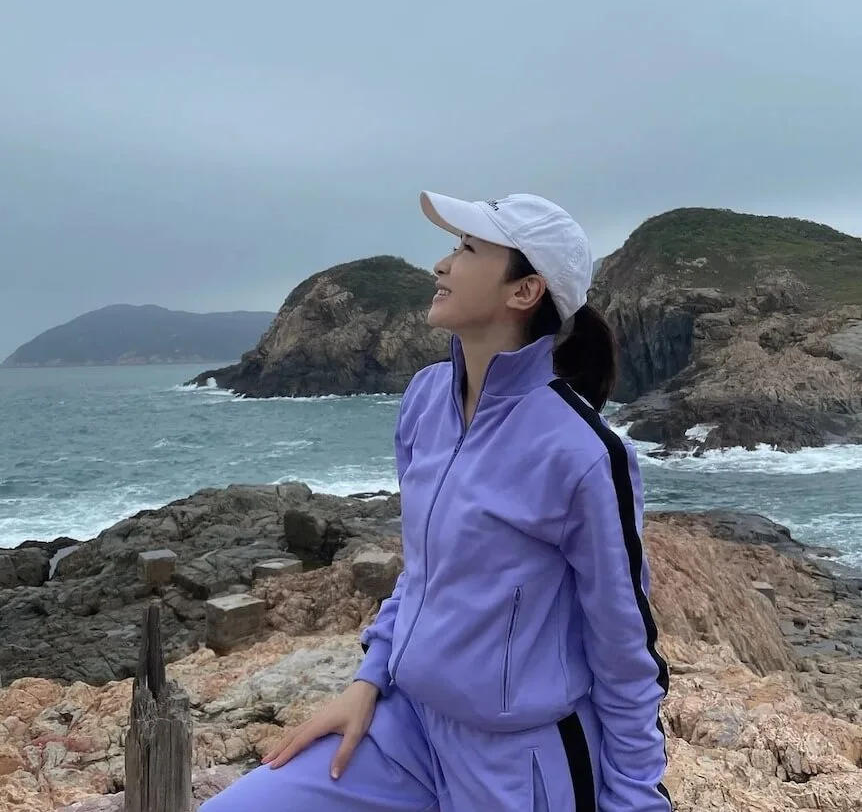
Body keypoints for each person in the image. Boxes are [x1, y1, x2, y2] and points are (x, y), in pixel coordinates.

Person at [202, 191, 671, 812]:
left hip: (519, 763)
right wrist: (368, 679)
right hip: (406, 730)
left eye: (469, 249)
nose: (442, 264)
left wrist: (636, 800)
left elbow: (624, 648)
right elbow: (422, 573)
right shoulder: (425, 399)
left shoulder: (582, 451)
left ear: (524, 291)